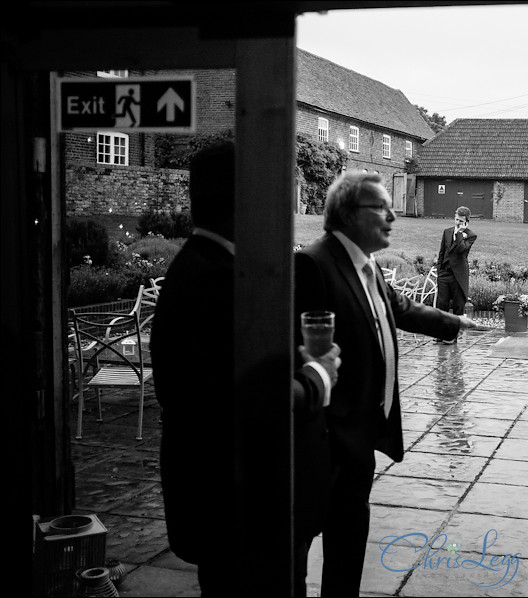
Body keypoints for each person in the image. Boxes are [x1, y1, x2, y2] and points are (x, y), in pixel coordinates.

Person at [151, 140, 341, 595]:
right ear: (247, 201)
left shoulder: (210, 266)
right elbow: (252, 397)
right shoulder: (217, 280)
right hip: (241, 510)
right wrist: (318, 375)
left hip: (233, 507)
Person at [293, 170, 479, 595]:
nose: (392, 216)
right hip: (323, 440)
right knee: (298, 548)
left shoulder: (367, 264)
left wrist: (457, 322)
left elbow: (402, 308)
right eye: (381, 207)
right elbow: (295, 353)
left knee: (348, 546)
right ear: (348, 214)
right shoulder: (313, 264)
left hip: (360, 435)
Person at [436, 206, 477, 334]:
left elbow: (461, 250)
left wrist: (459, 233)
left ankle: (453, 336)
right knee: (441, 305)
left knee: (458, 307)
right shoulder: (447, 232)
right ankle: (440, 333)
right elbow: (442, 252)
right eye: (456, 219)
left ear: (466, 221)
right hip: (444, 274)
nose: (457, 222)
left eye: (460, 220)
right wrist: (439, 270)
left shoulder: (470, 235)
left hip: (458, 276)